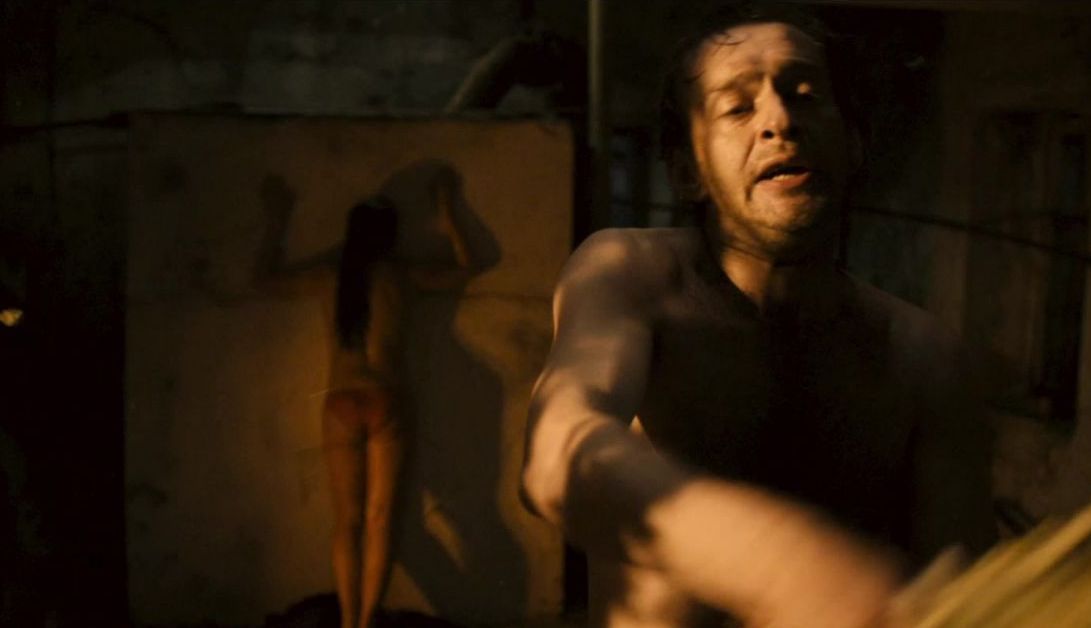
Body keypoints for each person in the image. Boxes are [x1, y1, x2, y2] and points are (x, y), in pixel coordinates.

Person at [521, 4, 996, 628]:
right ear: (687, 171)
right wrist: (782, 563)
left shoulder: (926, 359)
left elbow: (965, 598)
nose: (779, 120)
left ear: (855, 143)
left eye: (805, 95)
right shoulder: (630, 275)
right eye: (737, 107)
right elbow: (556, 455)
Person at [257, 169, 480, 628]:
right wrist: (447, 209)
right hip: (386, 399)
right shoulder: (401, 276)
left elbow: (264, 278)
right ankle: (364, 622)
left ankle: (346, 622)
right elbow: (466, 266)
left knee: (347, 522)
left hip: (340, 401)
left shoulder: (330, 277)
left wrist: (277, 218)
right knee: (381, 519)